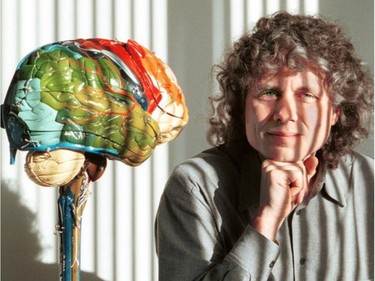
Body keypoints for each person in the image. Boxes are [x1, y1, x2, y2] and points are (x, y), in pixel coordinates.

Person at [155, 12, 374, 280]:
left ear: (335, 112)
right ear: (242, 105)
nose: (284, 113)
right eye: (269, 92)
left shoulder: (368, 184)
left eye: (306, 95)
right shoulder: (195, 186)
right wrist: (266, 220)